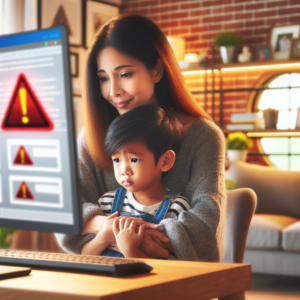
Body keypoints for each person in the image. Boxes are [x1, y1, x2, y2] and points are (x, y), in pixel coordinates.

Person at [55, 13, 226, 262]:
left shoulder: (203, 136)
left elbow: (205, 229)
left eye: (125, 74)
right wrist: (124, 231)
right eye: (103, 78)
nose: (113, 91)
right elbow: (65, 213)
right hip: (103, 276)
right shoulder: (92, 136)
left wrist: (107, 230)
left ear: (157, 70)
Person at [81, 105, 190, 258]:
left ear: (165, 161)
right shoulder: (107, 202)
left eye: (134, 159)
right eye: (117, 160)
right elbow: (84, 257)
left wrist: (130, 250)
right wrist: (104, 237)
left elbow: (172, 268)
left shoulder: (176, 207)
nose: (123, 170)